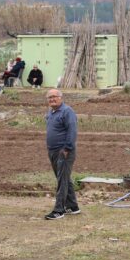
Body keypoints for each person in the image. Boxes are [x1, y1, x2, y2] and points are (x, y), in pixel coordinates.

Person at [44, 89, 80, 219]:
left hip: (64, 151)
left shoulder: (67, 111)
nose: (52, 99)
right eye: (49, 97)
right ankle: (73, 206)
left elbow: (72, 130)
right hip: (53, 150)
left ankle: (59, 210)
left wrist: (67, 148)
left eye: (54, 97)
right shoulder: (51, 112)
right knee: (64, 178)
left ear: (61, 98)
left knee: (62, 180)